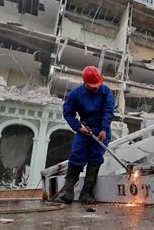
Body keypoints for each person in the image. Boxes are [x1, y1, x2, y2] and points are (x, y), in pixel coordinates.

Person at [61, 66, 114, 204]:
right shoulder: (76, 94)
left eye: (98, 85)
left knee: (95, 159)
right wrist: (78, 128)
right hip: (85, 130)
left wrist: (104, 128)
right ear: (85, 83)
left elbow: (108, 111)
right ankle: (68, 191)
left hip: (102, 130)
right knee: (77, 156)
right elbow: (68, 113)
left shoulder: (106, 92)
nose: (96, 88)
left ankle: (87, 193)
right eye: (93, 86)